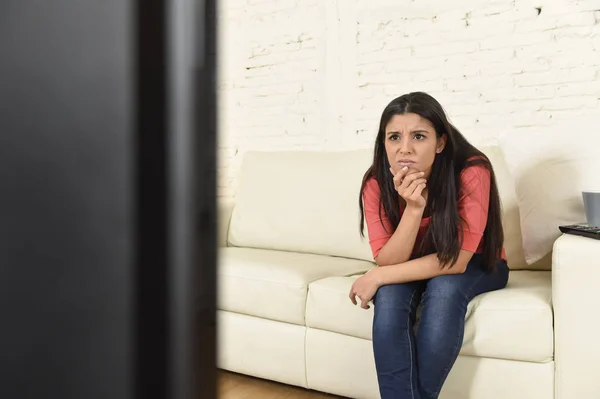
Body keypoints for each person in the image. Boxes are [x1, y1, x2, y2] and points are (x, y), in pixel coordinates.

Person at [348, 92, 510, 399]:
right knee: (391, 296)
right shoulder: (376, 182)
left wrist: (376, 276)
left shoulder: (472, 170)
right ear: (384, 143)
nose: (404, 149)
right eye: (394, 137)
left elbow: (456, 262)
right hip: (413, 265)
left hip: (476, 263)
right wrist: (413, 209)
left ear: (440, 142)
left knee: (445, 288)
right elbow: (388, 261)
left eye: (419, 136)